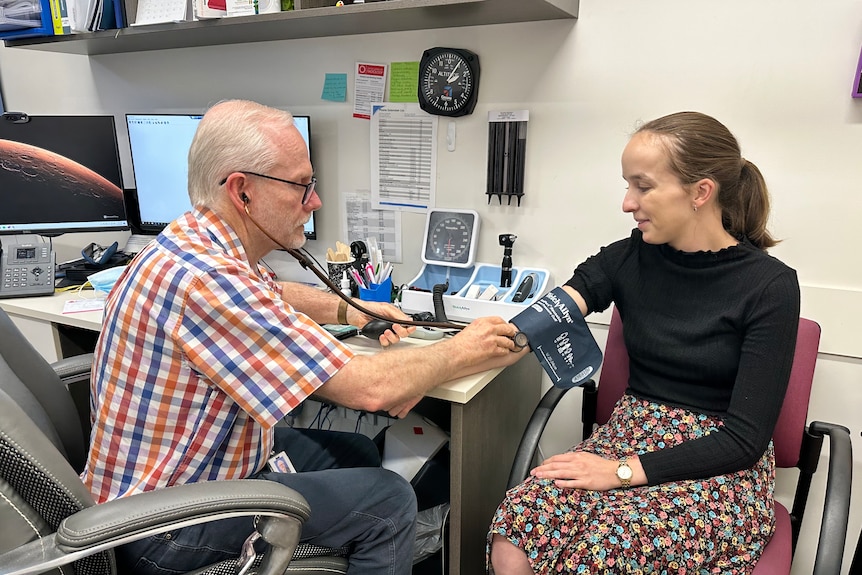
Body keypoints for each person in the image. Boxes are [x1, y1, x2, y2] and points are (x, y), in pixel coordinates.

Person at [80, 99, 523, 575]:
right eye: (301, 186)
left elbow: (276, 290)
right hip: (160, 528)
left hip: (176, 478)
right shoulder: (210, 282)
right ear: (242, 191)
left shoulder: (192, 243)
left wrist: (350, 309)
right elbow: (370, 389)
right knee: (389, 502)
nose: (314, 202)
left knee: (354, 451)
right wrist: (463, 348)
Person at [488, 111, 801, 574]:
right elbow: (553, 311)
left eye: (643, 186)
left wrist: (618, 473)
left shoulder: (770, 286)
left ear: (700, 192)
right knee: (517, 525)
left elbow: (744, 440)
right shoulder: (628, 256)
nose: (627, 203)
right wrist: (475, 342)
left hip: (718, 461)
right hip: (628, 432)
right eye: (626, 185)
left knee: (601, 549)